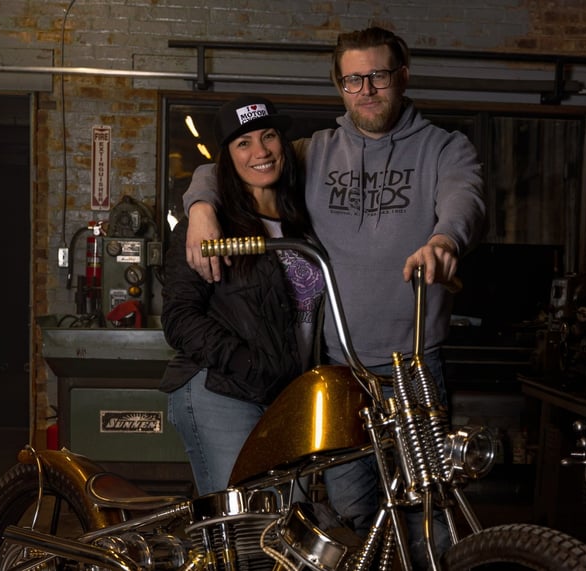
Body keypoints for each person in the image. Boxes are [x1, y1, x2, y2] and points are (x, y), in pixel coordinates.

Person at [182, 27, 486, 566]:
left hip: (414, 368)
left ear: (402, 78)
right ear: (339, 85)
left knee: (428, 514)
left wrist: (444, 241)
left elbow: (463, 199)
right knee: (352, 520)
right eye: (352, 79)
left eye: (378, 76)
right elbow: (241, 160)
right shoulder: (315, 152)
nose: (366, 89)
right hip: (338, 374)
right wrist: (200, 207)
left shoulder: (444, 146)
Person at [159, 95, 325, 497]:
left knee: (292, 513)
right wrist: (244, 361)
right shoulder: (209, 227)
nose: (261, 151)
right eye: (244, 143)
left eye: (268, 136)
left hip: (286, 393)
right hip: (221, 388)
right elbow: (179, 317)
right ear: (227, 158)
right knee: (244, 518)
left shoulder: (303, 223)